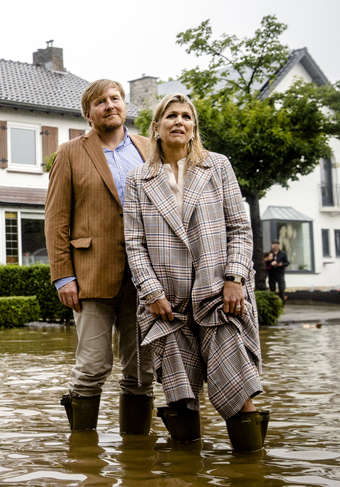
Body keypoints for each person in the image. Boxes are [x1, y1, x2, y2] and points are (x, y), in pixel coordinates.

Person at [124, 93, 268, 452]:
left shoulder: (217, 167)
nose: (179, 122)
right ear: (156, 128)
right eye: (170, 116)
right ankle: (185, 469)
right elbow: (134, 244)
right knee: (180, 393)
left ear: (194, 128)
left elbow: (239, 228)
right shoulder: (138, 179)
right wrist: (151, 293)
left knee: (237, 384)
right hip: (166, 305)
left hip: (219, 297)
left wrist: (235, 279)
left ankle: (251, 466)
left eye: (186, 117)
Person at [44, 79, 155, 434]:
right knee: (93, 366)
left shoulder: (150, 149)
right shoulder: (69, 152)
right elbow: (56, 218)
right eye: (100, 102)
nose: (110, 105)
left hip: (145, 277)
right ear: (88, 114)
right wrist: (63, 276)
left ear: (124, 106)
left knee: (141, 369)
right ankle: (82, 452)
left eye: (115, 99)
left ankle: (137, 456)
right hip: (90, 274)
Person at [267, 240, 289, 305]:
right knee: (272, 289)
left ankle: (282, 304)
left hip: (280, 273)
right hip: (272, 273)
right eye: (274, 245)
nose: (275, 247)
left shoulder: (283, 253)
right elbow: (265, 262)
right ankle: (273, 304)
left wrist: (281, 264)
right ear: (271, 245)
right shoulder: (269, 253)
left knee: (281, 288)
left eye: (277, 245)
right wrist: (270, 262)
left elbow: (287, 263)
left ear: (279, 246)